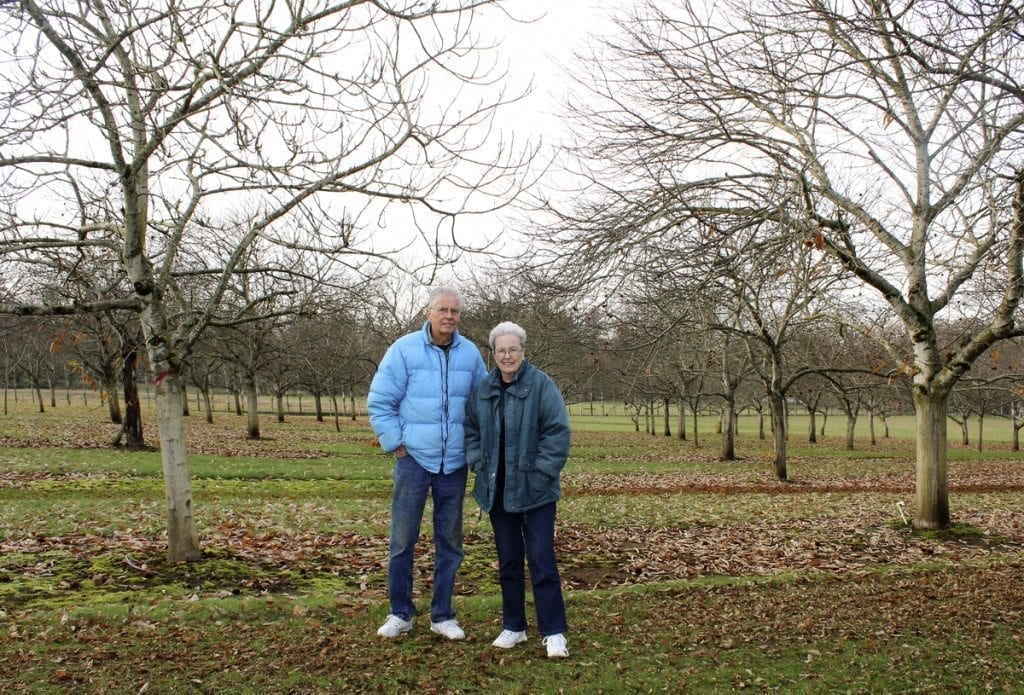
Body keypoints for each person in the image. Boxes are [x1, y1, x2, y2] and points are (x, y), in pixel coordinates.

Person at [367, 287, 487, 640]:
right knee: (402, 541)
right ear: (428, 312)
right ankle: (400, 613)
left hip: (453, 464)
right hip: (414, 462)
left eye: (455, 311)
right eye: (442, 310)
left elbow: (481, 405)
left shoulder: (471, 354)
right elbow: (380, 402)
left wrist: (475, 449)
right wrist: (398, 445)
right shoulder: (403, 350)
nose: (449, 316)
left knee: (449, 544)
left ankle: (443, 615)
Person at [464, 321, 572, 659]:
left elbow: (557, 434)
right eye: (501, 350)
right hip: (496, 491)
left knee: (541, 561)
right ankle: (514, 626)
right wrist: (477, 462)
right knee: (508, 561)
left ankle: (553, 632)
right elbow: (471, 430)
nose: (507, 355)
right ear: (493, 353)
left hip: (536, 491)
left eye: (513, 349)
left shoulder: (542, 386)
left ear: (523, 351)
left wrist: (541, 474)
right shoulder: (483, 389)